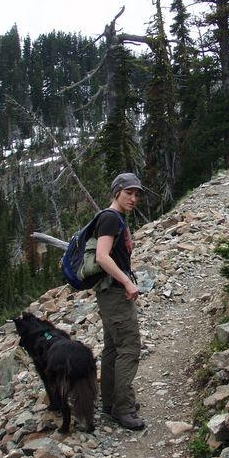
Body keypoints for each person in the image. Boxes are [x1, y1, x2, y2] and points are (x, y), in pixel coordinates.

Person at [94, 172, 145, 430]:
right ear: (117, 192)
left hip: (109, 292)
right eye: (128, 193)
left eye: (136, 194)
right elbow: (102, 256)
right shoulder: (111, 218)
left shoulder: (115, 218)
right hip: (114, 292)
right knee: (129, 347)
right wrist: (126, 282)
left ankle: (110, 403)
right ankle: (123, 409)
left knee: (113, 348)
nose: (133, 198)